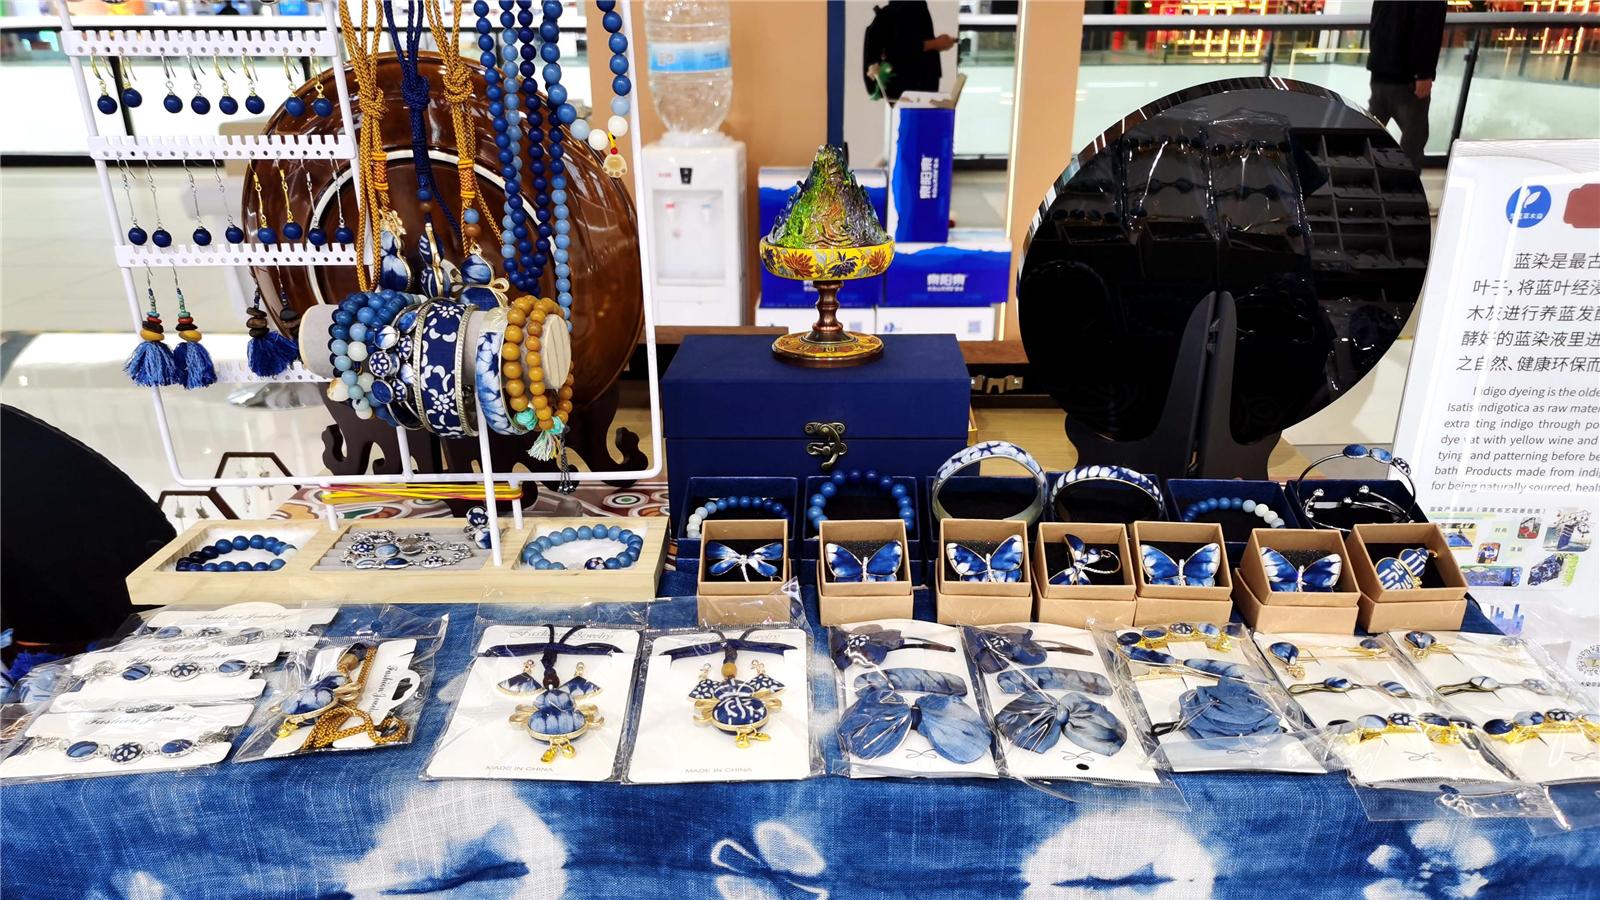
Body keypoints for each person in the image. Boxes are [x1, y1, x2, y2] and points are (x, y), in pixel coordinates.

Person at [1366, 0, 1447, 171]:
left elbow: (1377, 20)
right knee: (1413, 142)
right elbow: (1427, 28)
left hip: (1380, 71)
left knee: (1369, 136)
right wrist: (1423, 73)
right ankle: (1405, 185)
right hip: (1408, 78)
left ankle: (1358, 179)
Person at [863, 1, 955, 103]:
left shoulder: (906, 6)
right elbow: (903, 47)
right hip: (912, 86)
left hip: (912, 86)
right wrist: (935, 44)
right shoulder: (908, 6)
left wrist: (936, 44)